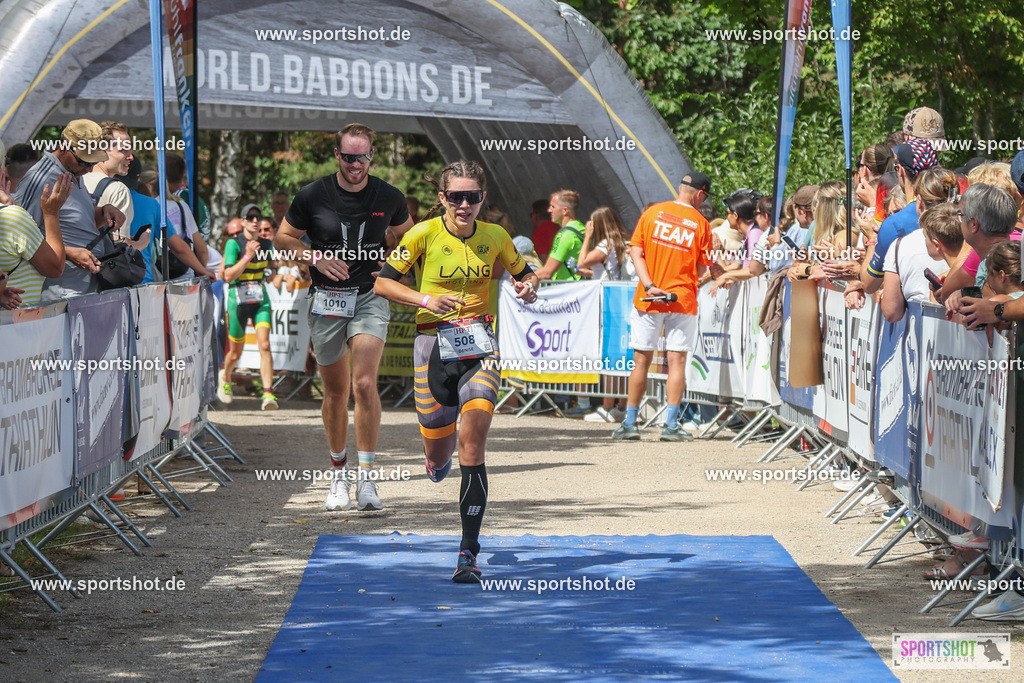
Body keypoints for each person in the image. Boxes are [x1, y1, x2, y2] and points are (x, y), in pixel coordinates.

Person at [374, 159, 539, 582]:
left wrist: (528, 287)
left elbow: (528, 275)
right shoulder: (423, 234)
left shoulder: (496, 236)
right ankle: (435, 459)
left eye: (472, 197)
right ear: (442, 198)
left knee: (474, 442)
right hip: (432, 350)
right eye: (456, 197)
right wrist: (426, 300)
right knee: (438, 451)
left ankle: (467, 553)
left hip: (480, 349)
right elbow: (383, 283)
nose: (464, 205)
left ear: (483, 199)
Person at [275, 123, 414, 512]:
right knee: (336, 392)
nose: (356, 164)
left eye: (363, 156)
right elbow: (283, 239)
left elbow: (413, 238)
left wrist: (394, 266)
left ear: (373, 155)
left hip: (370, 295)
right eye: (349, 156)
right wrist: (315, 256)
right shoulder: (313, 194)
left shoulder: (388, 195)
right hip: (327, 299)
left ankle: (367, 479)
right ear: (337, 155)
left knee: (365, 384)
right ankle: (338, 474)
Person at [613, 172, 713, 442]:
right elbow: (705, 267)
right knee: (676, 361)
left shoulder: (653, 213)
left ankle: (630, 422)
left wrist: (649, 285)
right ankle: (670, 425)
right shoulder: (701, 223)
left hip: (649, 298)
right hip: (682, 299)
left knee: (641, 361)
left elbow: (636, 251)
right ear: (700, 195)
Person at [15, 119, 124, 301]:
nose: (89, 169)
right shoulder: (40, 179)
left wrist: (104, 211)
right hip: (60, 292)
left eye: (93, 162)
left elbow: (76, 221)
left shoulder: (72, 170)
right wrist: (68, 253)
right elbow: (18, 238)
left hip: (84, 288)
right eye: (84, 161)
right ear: (64, 148)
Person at [218, 213, 278, 410]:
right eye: (250, 218)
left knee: (265, 345)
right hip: (238, 299)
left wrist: (274, 272)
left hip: (260, 299)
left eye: (257, 218)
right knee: (235, 354)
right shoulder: (233, 244)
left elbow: (272, 270)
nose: (255, 221)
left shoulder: (267, 245)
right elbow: (227, 275)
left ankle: (268, 393)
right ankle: (225, 378)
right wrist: (247, 256)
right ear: (243, 221)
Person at [0, 162, 70, 308]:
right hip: (17, 324)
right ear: (2, 174)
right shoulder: (11, 218)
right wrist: (51, 213)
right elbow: (55, 267)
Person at [534, 190, 584, 280]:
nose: (549, 210)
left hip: (568, 289)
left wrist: (522, 277)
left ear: (565, 210)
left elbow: (547, 272)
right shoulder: (581, 228)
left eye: (553, 207)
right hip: (583, 286)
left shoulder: (565, 235)